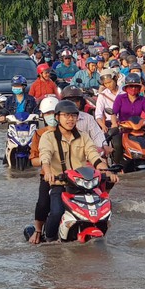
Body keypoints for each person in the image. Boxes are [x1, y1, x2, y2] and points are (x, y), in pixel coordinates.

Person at [38, 100, 118, 242]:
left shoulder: (83, 136)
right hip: (59, 183)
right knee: (56, 212)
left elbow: (93, 155)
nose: (70, 119)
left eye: (74, 116)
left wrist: (106, 171)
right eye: (66, 116)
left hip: (82, 185)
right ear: (57, 118)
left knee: (102, 210)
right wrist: (48, 171)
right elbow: (45, 156)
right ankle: (49, 240)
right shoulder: (48, 137)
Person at [25, 96, 59, 244]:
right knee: (43, 203)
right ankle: (38, 230)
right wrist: (46, 160)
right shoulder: (39, 134)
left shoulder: (70, 131)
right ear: (43, 116)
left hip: (69, 175)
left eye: (53, 112)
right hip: (48, 175)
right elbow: (33, 160)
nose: (51, 116)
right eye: (47, 113)